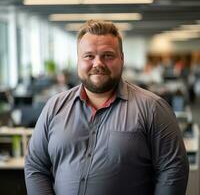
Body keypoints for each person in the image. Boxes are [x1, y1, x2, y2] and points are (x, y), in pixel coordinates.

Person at [25, 19, 189, 195]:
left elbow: (173, 170)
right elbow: (35, 166)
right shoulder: (54, 107)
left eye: (107, 55)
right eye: (89, 56)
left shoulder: (153, 108)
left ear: (122, 58)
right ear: (78, 60)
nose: (98, 64)